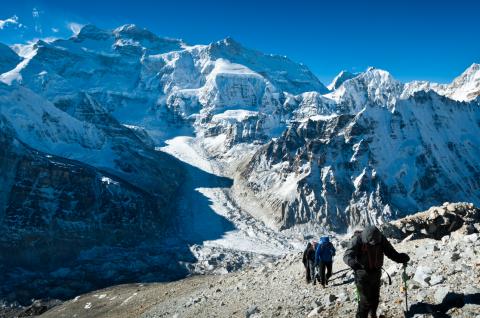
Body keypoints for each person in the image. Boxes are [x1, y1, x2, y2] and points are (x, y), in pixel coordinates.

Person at [343, 225, 410, 318]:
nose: (374, 243)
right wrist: (352, 262)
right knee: (365, 301)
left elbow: (390, 252)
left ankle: (373, 315)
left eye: (375, 242)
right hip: (362, 275)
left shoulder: (381, 239)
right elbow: (346, 256)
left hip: (376, 274)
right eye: (371, 242)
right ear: (366, 238)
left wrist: (400, 258)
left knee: (375, 298)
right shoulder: (357, 240)